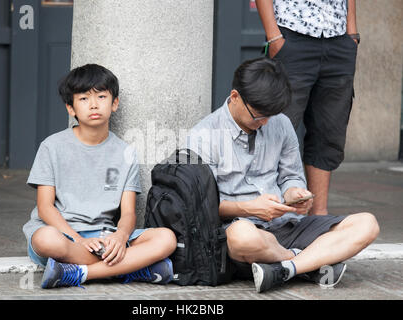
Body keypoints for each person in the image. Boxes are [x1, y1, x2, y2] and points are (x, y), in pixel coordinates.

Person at [185, 57, 379, 293]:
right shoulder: (203, 136)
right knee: (241, 237)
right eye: (258, 116)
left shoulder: (281, 123)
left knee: (367, 224)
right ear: (235, 97)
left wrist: (295, 192)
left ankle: (284, 269)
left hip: (286, 225)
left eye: (270, 115)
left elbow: (291, 176)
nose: (265, 122)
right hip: (244, 231)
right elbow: (201, 208)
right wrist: (249, 208)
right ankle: (308, 263)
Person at [22, 64, 177, 289]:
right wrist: (79, 239)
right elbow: (45, 208)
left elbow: (128, 213)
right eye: (83, 99)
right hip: (64, 235)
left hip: (105, 236)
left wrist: (121, 237)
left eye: (101, 96)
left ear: (114, 103)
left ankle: (81, 273)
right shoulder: (52, 146)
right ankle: (134, 267)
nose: (93, 104)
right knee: (46, 240)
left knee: (166, 238)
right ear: (70, 108)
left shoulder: (125, 152)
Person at [256, 0, 359, 215]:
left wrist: (352, 33)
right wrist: (274, 36)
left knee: (329, 131)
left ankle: (318, 215)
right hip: (292, 35)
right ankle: (270, 214)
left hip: (338, 38)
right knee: (276, 131)